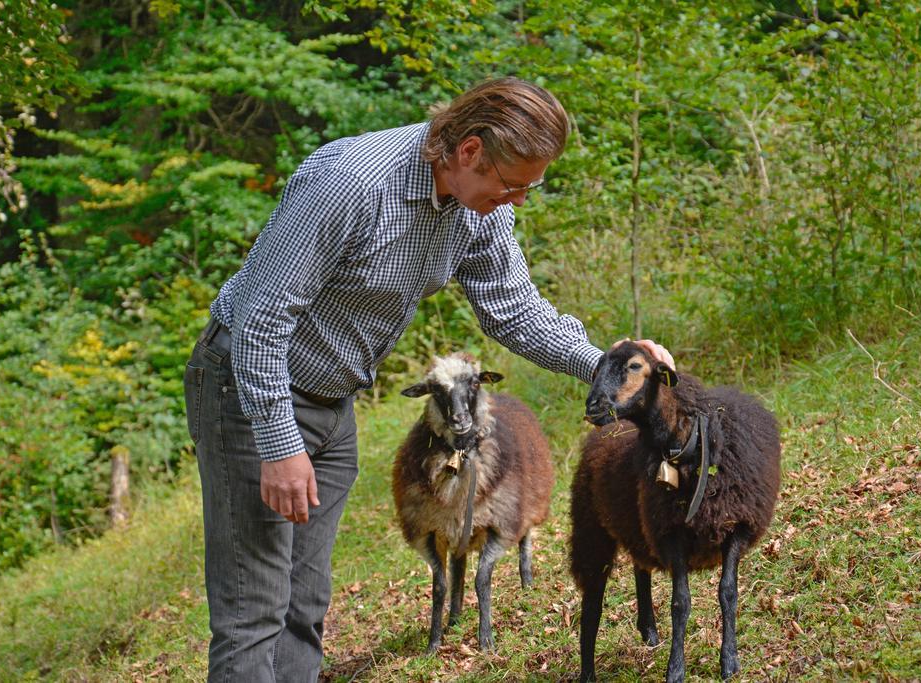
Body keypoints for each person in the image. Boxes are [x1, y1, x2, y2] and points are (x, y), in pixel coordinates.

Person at [183, 76, 673, 682]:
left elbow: (516, 311)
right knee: (253, 611)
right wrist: (280, 446)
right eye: (514, 183)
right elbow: (261, 319)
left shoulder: (478, 208)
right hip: (250, 394)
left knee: (303, 607)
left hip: (332, 400)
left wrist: (613, 365)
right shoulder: (351, 184)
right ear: (468, 151)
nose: (519, 199)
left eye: (531, 186)